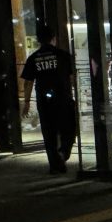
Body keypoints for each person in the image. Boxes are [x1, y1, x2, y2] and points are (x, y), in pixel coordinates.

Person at [21, 24, 76, 174]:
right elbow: (72, 77)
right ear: (54, 38)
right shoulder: (63, 55)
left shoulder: (33, 58)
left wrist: (27, 102)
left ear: (38, 40)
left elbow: (28, 82)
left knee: (49, 133)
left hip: (44, 101)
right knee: (68, 129)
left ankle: (54, 165)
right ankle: (63, 154)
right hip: (63, 98)